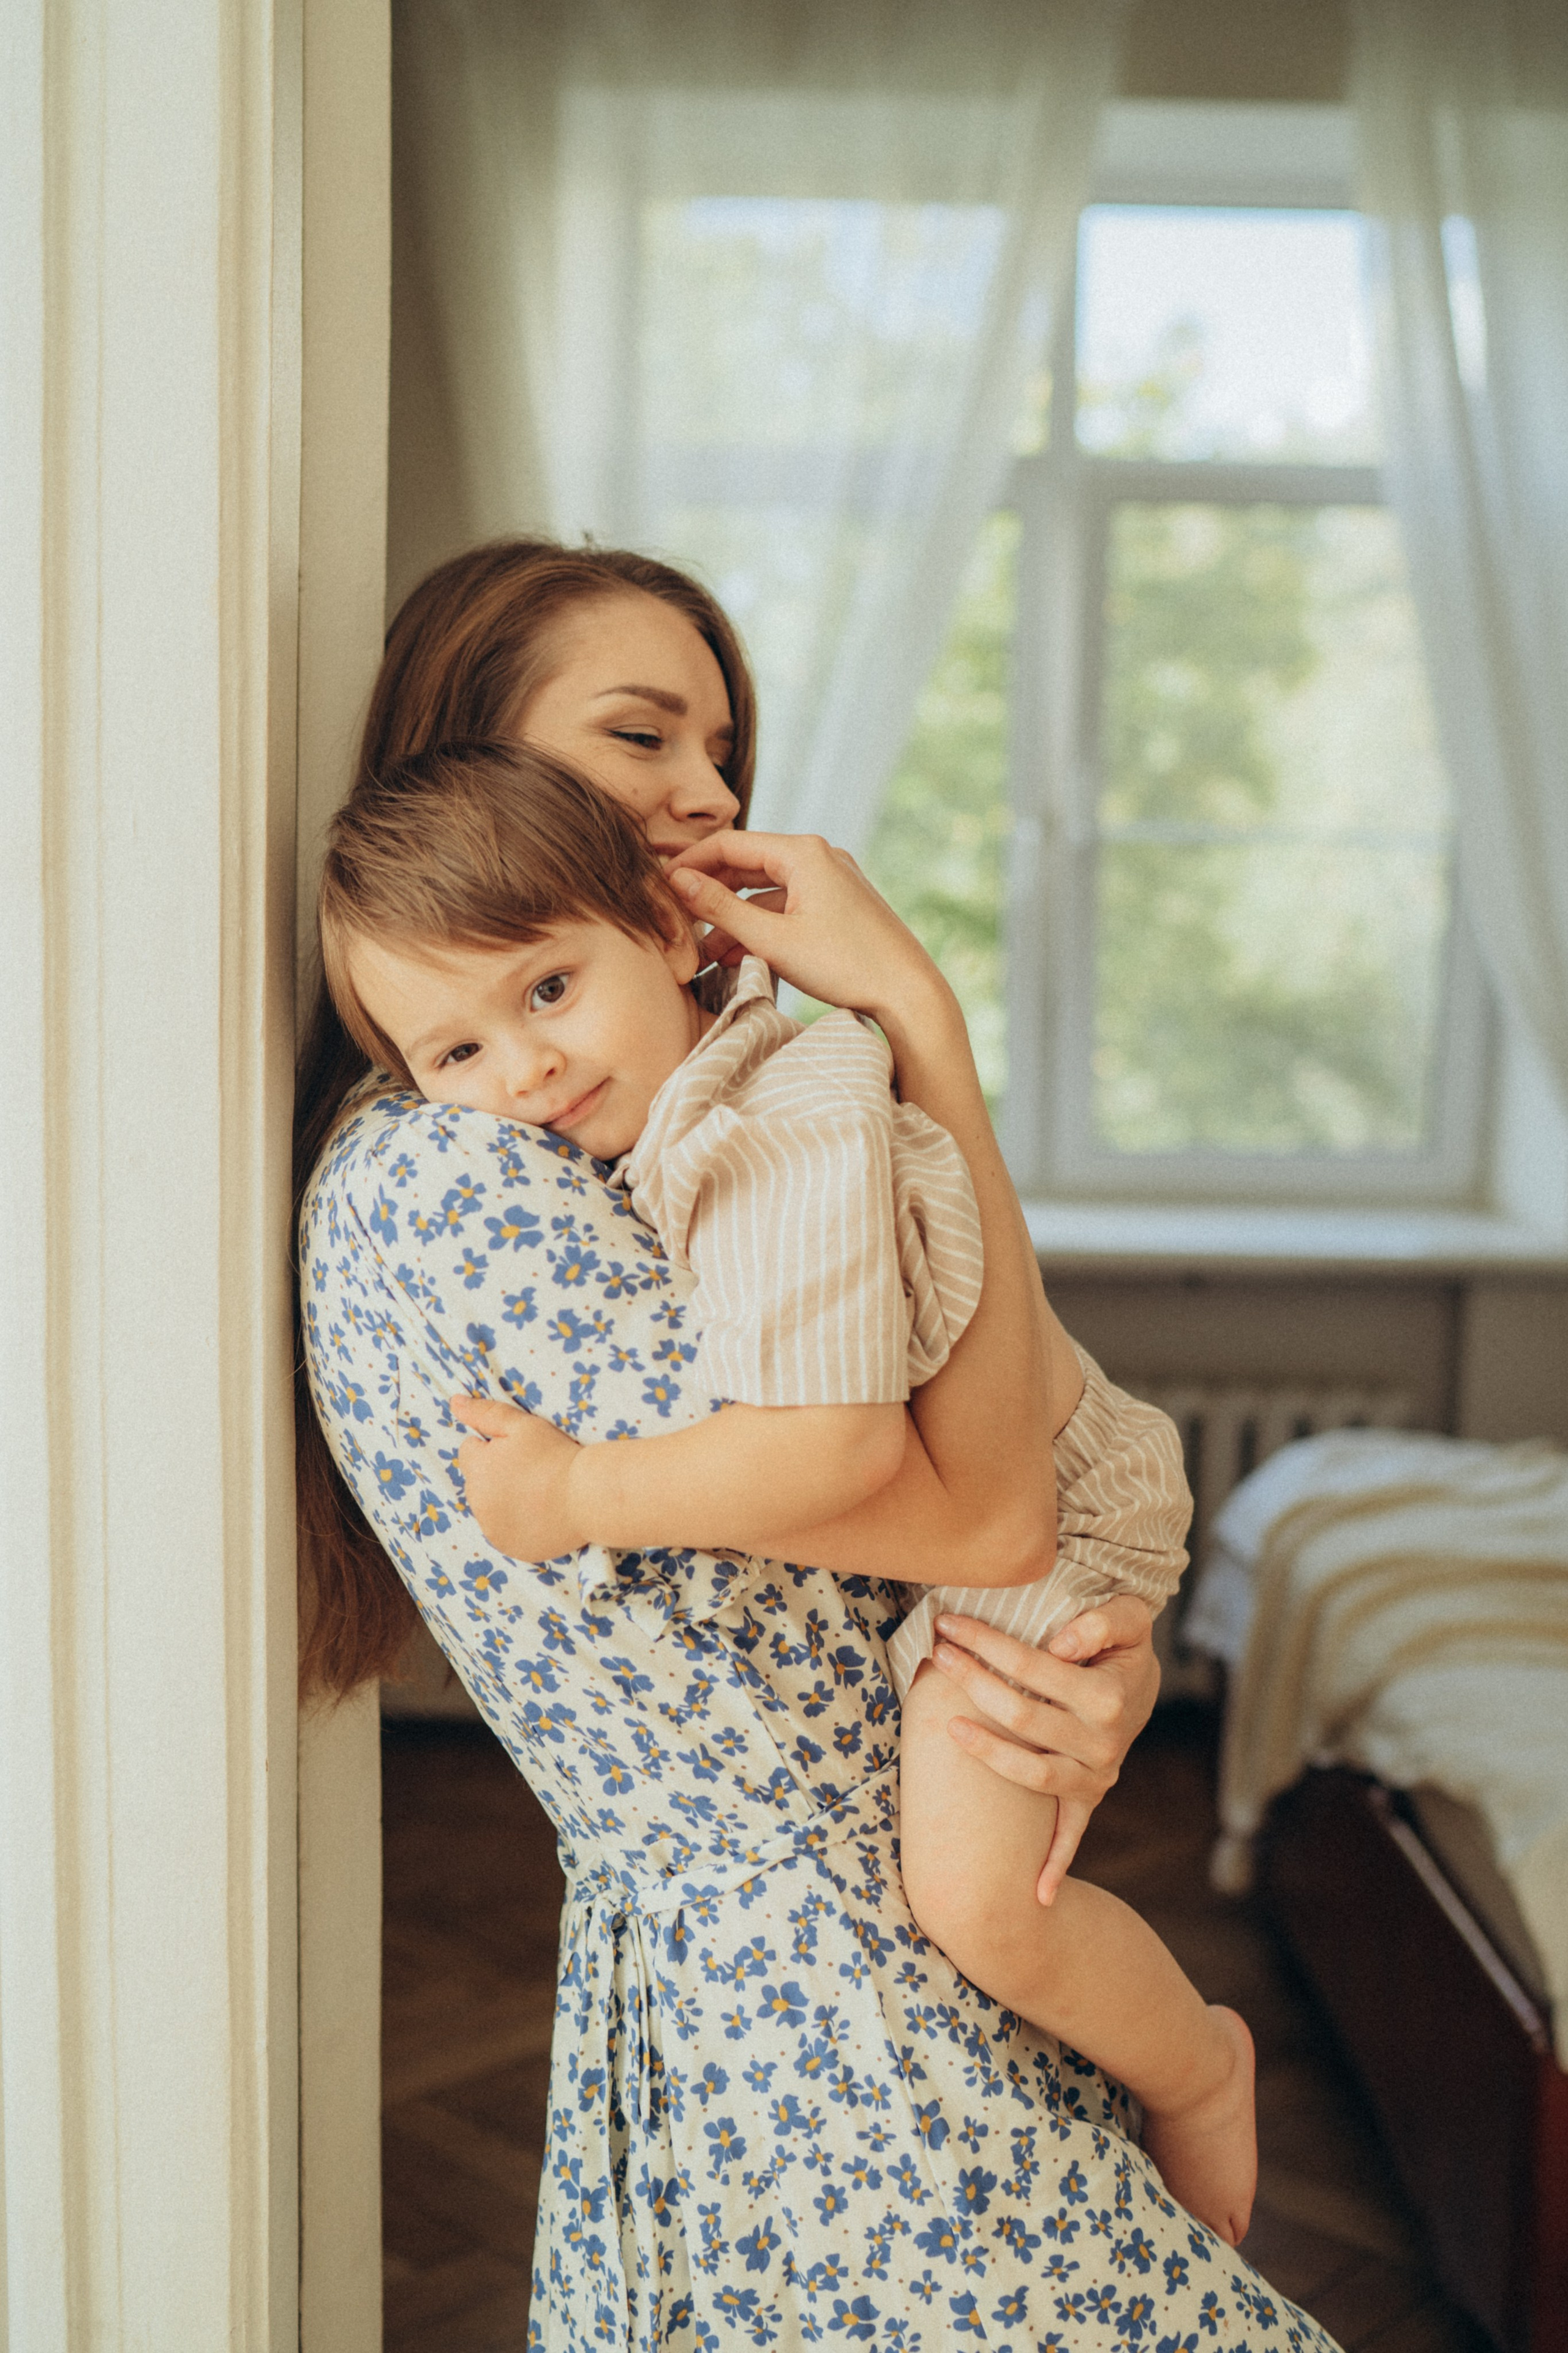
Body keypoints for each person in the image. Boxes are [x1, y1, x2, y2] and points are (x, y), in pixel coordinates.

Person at [294, 535, 1342, 2349]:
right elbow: (954, 1503)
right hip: (830, 1990)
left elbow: (954, 1496)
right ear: (473, 769)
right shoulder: (468, 1170)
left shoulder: (744, 1100)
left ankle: (1200, 2058)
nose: (707, 793)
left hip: (867, 1942)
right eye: (644, 737)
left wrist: (913, 1018)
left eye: (724, 751)